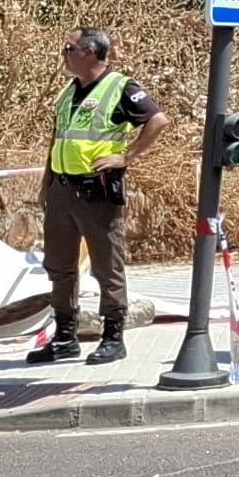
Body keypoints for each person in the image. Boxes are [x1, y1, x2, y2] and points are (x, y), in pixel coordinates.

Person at [35, 29, 160, 366]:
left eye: (69, 48)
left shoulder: (120, 87)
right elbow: (58, 138)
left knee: (107, 266)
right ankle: (65, 337)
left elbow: (158, 120)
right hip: (62, 188)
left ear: (89, 51)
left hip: (97, 190)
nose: (64, 53)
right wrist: (46, 183)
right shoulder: (68, 91)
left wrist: (126, 157)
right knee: (59, 266)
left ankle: (113, 337)